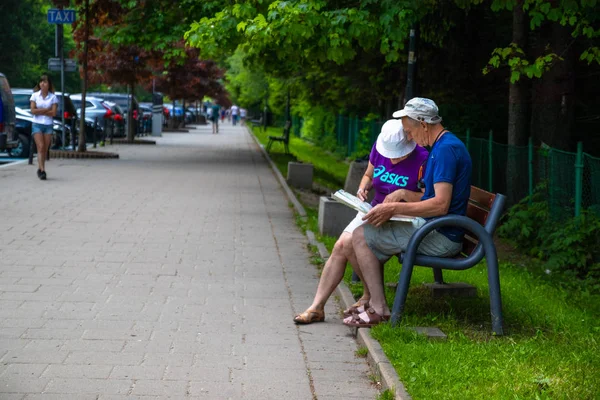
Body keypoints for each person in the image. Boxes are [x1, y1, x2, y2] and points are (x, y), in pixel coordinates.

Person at [344, 97, 472, 328]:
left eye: (409, 131)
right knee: (367, 231)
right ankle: (372, 302)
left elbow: (440, 205)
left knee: (361, 236)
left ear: (423, 124)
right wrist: (399, 200)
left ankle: (379, 309)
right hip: (436, 227)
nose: (409, 138)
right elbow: (429, 198)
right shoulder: (442, 147)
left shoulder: (445, 150)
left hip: (442, 236)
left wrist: (395, 208)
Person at [293, 119, 429, 324]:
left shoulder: (423, 158)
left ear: (409, 139)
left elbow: (428, 198)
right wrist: (363, 188)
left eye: (398, 155)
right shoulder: (380, 147)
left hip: (401, 216)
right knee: (341, 244)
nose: (392, 160)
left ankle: (371, 300)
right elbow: (368, 174)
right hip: (372, 210)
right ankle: (317, 307)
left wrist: (403, 193)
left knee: (353, 241)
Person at [29, 74, 58, 180]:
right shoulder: (35, 96)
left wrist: (39, 110)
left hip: (48, 125)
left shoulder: (53, 97)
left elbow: (54, 113)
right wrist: (46, 110)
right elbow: (33, 110)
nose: (42, 83)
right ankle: (42, 170)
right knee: (40, 146)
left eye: (45, 82)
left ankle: (41, 167)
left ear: (49, 84)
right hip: (37, 124)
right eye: (41, 81)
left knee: (44, 149)